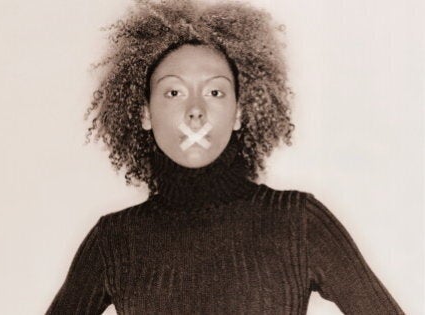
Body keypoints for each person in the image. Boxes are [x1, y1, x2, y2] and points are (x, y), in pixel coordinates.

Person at [46, 0, 404, 314]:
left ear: (238, 114)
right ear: (144, 114)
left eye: (215, 91)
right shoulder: (115, 240)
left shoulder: (299, 223)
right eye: (173, 92)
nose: (196, 110)